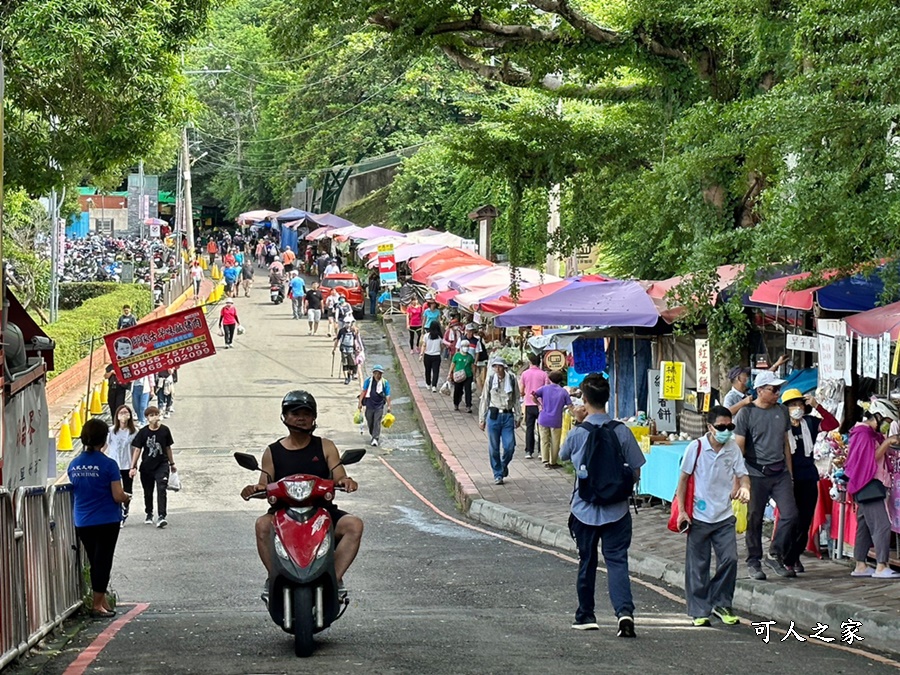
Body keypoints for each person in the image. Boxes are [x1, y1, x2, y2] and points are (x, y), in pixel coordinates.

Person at [240, 391, 362, 600]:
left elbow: (339, 476)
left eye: (306, 413)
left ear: (314, 417)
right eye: (294, 413)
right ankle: (275, 577)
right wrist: (254, 489)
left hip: (323, 512)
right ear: (285, 417)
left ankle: (334, 578)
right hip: (283, 515)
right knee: (261, 524)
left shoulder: (325, 446)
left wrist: (346, 481)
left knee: (354, 525)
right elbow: (265, 485)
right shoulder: (273, 451)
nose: (301, 418)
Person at [559, 373, 644, 637]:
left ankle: (586, 615)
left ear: (584, 399)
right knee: (617, 561)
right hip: (617, 509)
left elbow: (562, 456)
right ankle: (624, 613)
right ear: (608, 399)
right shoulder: (621, 431)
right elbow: (637, 468)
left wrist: (578, 422)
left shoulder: (578, 432)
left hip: (583, 508)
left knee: (587, 560)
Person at [675, 406, 750, 627]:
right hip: (698, 516)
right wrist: (682, 511)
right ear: (710, 427)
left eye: (730, 426)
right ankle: (699, 610)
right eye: (721, 427)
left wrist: (746, 488)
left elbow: (743, 474)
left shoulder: (732, 449)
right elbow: (683, 480)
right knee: (698, 565)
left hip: (724, 515)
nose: (726, 430)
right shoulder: (695, 448)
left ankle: (722, 603)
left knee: (730, 559)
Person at [733, 370, 797, 580]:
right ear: (760, 390)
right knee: (755, 518)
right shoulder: (747, 413)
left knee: (790, 514)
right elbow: (739, 448)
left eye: (779, 389)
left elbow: (785, 443)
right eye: (773, 389)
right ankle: (753, 560)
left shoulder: (781, 411)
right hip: (755, 472)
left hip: (780, 472)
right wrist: (739, 480)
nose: (778, 393)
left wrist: (790, 472)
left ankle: (775, 552)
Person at [68, 419, 131, 618]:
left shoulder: (74, 464)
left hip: (83, 520)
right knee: (103, 561)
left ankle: (101, 601)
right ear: (104, 440)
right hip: (106, 520)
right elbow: (117, 495)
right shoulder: (108, 465)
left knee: (95, 560)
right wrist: (126, 497)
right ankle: (97, 605)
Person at [780, 389, 839, 573]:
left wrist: (817, 406)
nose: (796, 408)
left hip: (808, 476)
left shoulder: (810, 423)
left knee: (805, 520)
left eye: (798, 404)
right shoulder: (781, 426)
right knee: (791, 519)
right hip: (787, 479)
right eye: (791, 405)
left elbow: (832, 423)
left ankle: (794, 557)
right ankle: (786, 556)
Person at [845, 399, 900, 579]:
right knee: (882, 525)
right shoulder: (863, 434)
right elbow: (869, 460)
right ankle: (881, 566)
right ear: (878, 416)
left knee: (865, 526)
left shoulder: (869, 434)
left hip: (866, 485)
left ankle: (860, 564)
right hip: (868, 484)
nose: (888, 425)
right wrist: (887, 443)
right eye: (888, 421)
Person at [129, 406, 176, 528]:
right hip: (146, 466)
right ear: (147, 418)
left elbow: (168, 448)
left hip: (162, 464)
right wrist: (133, 466)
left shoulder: (165, 430)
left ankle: (161, 516)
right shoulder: (143, 432)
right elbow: (137, 449)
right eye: (151, 415)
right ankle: (149, 512)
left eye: (156, 414)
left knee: (161, 488)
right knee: (148, 491)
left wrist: (172, 464)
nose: (155, 417)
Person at [478, 357, 522, 485]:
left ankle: (503, 465)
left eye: (500, 366)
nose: (498, 369)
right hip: (493, 415)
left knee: (509, 446)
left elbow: (516, 398)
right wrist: (482, 418)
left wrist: (518, 416)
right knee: (494, 447)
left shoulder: (512, 379)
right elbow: (485, 398)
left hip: (507, 415)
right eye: (495, 366)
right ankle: (498, 473)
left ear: (504, 368)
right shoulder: (491, 379)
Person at [533, 369, 574, 467]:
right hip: (556, 420)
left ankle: (545, 460)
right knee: (555, 442)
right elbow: (570, 406)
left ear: (549, 378)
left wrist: (539, 404)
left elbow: (532, 395)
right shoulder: (563, 392)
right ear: (560, 380)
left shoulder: (544, 388)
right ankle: (553, 462)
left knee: (544, 440)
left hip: (543, 418)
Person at [723, 356, 789, 415]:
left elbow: (764, 378)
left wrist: (776, 364)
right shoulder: (730, 397)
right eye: (746, 376)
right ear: (739, 379)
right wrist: (743, 402)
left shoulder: (749, 391)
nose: (748, 378)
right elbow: (725, 413)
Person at [108, 405, 138, 527]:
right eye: (121, 412)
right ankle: (116, 513)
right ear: (117, 415)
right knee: (114, 490)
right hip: (113, 464)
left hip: (127, 464)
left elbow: (136, 450)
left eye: (126, 412)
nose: (124, 415)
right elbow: (105, 446)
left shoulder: (134, 432)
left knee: (127, 490)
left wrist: (134, 466)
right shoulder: (111, 431)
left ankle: (125, 511)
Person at [519, 353, 550, 460]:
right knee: (542, 428)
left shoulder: (524, 374)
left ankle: (529, 451)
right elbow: (547, 389)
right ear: (539, 362)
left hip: (529, 404)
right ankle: (541, 451)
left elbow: (521, 390)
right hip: (541, 405)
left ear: (530, 362)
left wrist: (525, 393)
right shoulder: (544, 374)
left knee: (529, 428)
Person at [358, 365, 392, 447]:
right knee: (370, 420)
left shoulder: (385, 383)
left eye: (379, 373)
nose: (378, 375)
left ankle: (375, 438)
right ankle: (373, 434)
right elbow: (364, 391)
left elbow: (387, 395)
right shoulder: (368, 381)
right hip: (369, 405)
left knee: (377, 422)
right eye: (376, 373)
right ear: (373, 373)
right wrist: (360, 403)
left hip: (379, 406)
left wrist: (389, 406)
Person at [334, 317, 362, 385]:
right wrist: (334, 349)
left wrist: (357, 348)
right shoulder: (341, 331)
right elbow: (337, 340)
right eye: (346, 323)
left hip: (351, 350)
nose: (348, 324)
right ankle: (346, 378)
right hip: (344, 349)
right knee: (345, 364)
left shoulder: (353, 331)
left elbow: (355, 340)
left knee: (352, 364)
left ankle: (350, 375)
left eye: (349, 323)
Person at [451, 341, 475, 412]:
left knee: (468, 391)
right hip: (458, 376)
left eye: (467, 346)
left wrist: (474, 376)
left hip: (468, 376)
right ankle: (456, 403)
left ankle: (468, 406)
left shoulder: (470, 357)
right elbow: (453, 364)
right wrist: (450, 373)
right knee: (457, 390)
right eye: (464, 346)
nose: (466, 348)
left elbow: (472, 367)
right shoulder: (457, 355)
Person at [420, 322, 443, 392]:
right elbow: (442, 346)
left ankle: (428, 383)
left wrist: (421, 354)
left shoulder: (426, 336)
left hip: (427, 355)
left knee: (427, 370)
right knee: (436, 371)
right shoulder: (440, 337)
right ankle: (434, 386)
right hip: (436, 356)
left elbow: (424, 345)